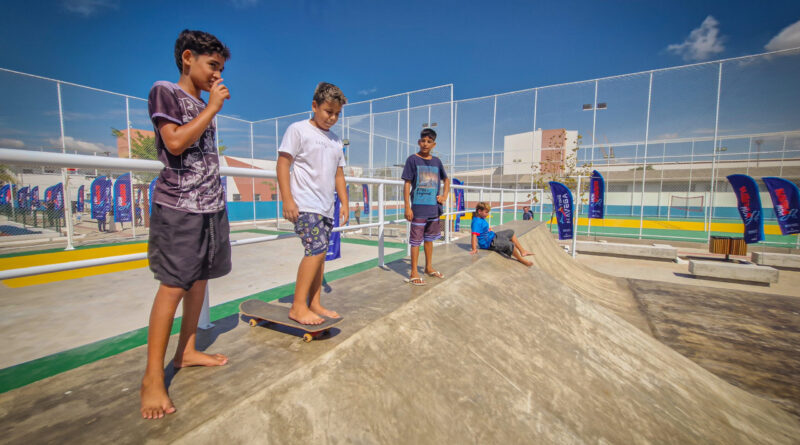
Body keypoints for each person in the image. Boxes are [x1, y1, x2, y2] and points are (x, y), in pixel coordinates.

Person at [140, 29, 232, 420]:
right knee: (173, 286)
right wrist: (211, 108)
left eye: (221, 69)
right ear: (187, 58)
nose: (217, 75)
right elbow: (174, 143)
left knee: (199, 280)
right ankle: (151, 380)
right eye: (212, 66)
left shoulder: (200, 101)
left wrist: (208, 107)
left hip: (210, 207)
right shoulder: (166, 91)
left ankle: (187, 350)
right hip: (179, 207)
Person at [277, 82, 349, 325]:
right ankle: (298, 307)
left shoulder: (336, 141)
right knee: (315, 251)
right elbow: (283, 163)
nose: (332, 118)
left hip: (327, 206)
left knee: (320, 256)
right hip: (305, 204)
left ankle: (315, 303)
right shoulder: (298, 130)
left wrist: (345, 204)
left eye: (337, 114)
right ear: (314, 106)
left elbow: (339, 175)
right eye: (328, 111)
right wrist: (287, 199)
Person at [402, 128, 450, 285]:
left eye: (429, 141)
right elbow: (407, 184)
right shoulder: (412, 160)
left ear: (434, 144)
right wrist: (407, 207)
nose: (425, 144)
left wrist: (444, 196)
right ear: (418, 142)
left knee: (429, 239)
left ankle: (429, 267)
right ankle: (414, 272)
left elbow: (446, 180)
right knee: (416, 241)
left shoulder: (437, 162)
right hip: (418, 209)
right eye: (423, 141)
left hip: (434, 209)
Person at [470, 202, 534, 266]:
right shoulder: (476, 222)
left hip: (492, 236)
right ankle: (522, 260)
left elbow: (482, 229)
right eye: (486, 212)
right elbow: (474, 236)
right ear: (479, 211)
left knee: (510, 232)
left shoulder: (481, 218)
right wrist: (474, 249)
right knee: (509, 244)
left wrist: (488, 230)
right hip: (489, 243)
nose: (487, 214)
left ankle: (522, 251)